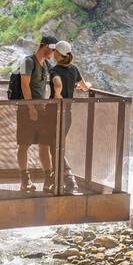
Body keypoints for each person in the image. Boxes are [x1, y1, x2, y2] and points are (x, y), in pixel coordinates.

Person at [16, 35, 57, 192]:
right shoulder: (28, 61)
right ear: (45, 46)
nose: (53, 53)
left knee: (44, 145)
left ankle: (48, 180)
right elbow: (25, 86)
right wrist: (31, 108)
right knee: (24, 145)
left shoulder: (46, 64)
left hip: (42, 109)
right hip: (27, 109)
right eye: (52, 49)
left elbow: (57, 77)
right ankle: (24, 181)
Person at [49, 41, 91, 194]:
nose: (53, 53)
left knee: (54, 146)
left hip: (54, 113)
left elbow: (57, 83)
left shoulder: (55, 70)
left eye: (55, 52)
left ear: (59, 55)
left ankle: (68, 178)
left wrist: (57, 94)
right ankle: (60, 180)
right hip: (68, 114)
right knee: (57, 145)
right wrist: (86, 86)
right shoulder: (74, 69)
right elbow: (85, 87)